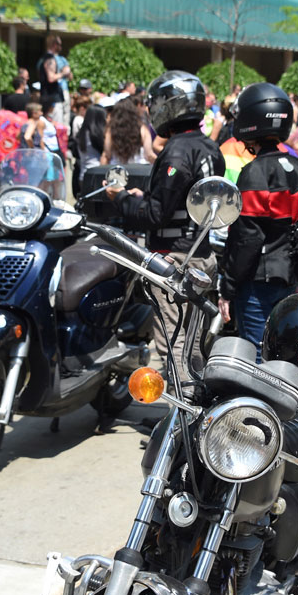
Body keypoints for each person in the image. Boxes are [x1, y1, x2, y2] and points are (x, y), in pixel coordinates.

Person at [106, 71, 223, 374]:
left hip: (175, 259)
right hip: (203, 254)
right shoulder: (209, 146)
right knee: (194, 341)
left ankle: (181, 415)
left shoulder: (177, 150)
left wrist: (120, 198)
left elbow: (156, 215)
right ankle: (197, 408)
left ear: (169, 106)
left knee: (174, 342)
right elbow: (182, 198)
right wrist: (140, 195)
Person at [218, 84, 298, 359]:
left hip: (257, 285)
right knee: (289, 352)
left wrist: (227, 288)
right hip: (294, 279)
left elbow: (247, 241)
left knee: (256, 356)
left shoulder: (253, 174)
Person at [102, 98, 155, 165]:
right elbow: (149, 155)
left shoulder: (110, 130)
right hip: (139, 169)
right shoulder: (142, 129)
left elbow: (107, 154)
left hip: (117, 171)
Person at [38, 35, 72, 126]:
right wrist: (63, 73)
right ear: (54, 44)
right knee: (57, 127)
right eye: (59, 44)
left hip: (50, 98)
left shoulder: (45, 59)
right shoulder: (49, 59)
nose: (61, 47)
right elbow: (51, 78)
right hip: (53, 100)